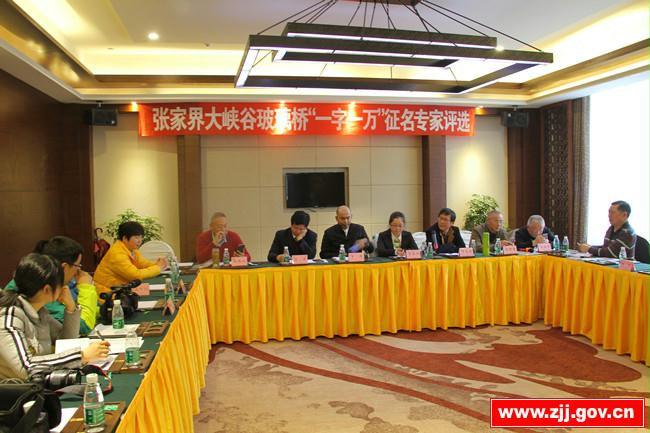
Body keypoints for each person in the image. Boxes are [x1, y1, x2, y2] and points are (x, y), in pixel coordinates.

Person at [0, 254, 109, 379]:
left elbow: (66, 341)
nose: (64, 288)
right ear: (47, 289)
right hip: (14, 390)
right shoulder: (9, 317)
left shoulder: (40, 312)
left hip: (39, 385)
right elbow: (26, 368)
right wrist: (81, 356)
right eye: (61, 284)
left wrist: (71, 308)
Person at [5, 236, 99, 335]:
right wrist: (86, 288)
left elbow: (65, 336)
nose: (79, 272)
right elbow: (83, 326)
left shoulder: (43, 311)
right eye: (77, 266)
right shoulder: (37, 288)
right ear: (64, 267)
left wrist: (71, 308)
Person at [94, 221, 168, 299]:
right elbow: (135, 275)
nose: (140, 240)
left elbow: (142, 263)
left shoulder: (131, 249)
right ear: (125, 238)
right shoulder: (117, 254)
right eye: (136, 237)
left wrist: (158, 264)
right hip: (107, 294)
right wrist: (158, 268)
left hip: (121, 290)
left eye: (141, 237)